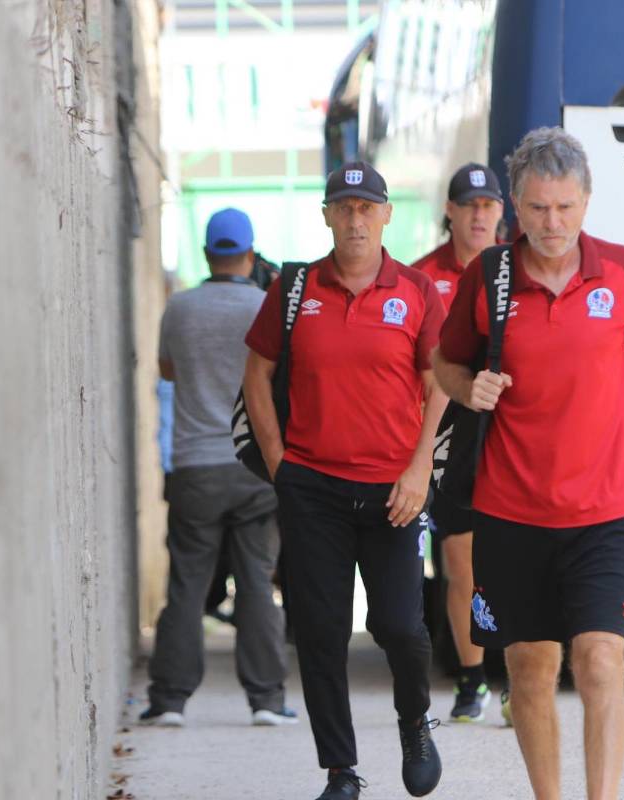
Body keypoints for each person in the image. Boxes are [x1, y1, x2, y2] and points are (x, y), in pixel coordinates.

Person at [433, 127, 624, 800]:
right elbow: (447, 362)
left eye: (565, 207)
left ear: (587, 201)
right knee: (531, 668)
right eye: (538, 209)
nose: (553, 223)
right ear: (515, 204)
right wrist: (465, 388)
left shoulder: (622, 271)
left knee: (600, 659)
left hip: (605, 512)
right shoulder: (490, 277)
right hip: (510, 514)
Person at [242, 162, 448, 800]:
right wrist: (281, 465)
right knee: (321, 631)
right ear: (327, 215)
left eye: (367, 207)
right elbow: (257, 375)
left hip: (394, 492)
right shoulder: (295, 288)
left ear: (386, 215)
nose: (355, 219)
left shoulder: (415, 290)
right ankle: (341, 770)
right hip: (314, 491)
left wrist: (420, 468)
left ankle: (414, 723)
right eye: (344, 207)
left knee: (401, 627)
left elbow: (439, 381)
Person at [140, 207, 296, 728]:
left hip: (194, 467)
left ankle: (169, 700)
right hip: (253, 468)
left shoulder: (179, 309)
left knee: (187, 582)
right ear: (250, 256)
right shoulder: (265, 306)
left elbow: (168, 370)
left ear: (208, 254)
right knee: (255, 580)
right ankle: (268, 700)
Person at [411, 163, 505, 723]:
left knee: (521, 557)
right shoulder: (423, 278)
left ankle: (521, 676)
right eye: (468, 205)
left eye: (488, 204)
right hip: (447, 432)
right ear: (450, 211)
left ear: (500, 212)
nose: (478, 215)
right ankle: (471, 681)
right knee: (458, 556)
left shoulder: (522, 268)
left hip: (512, 429)